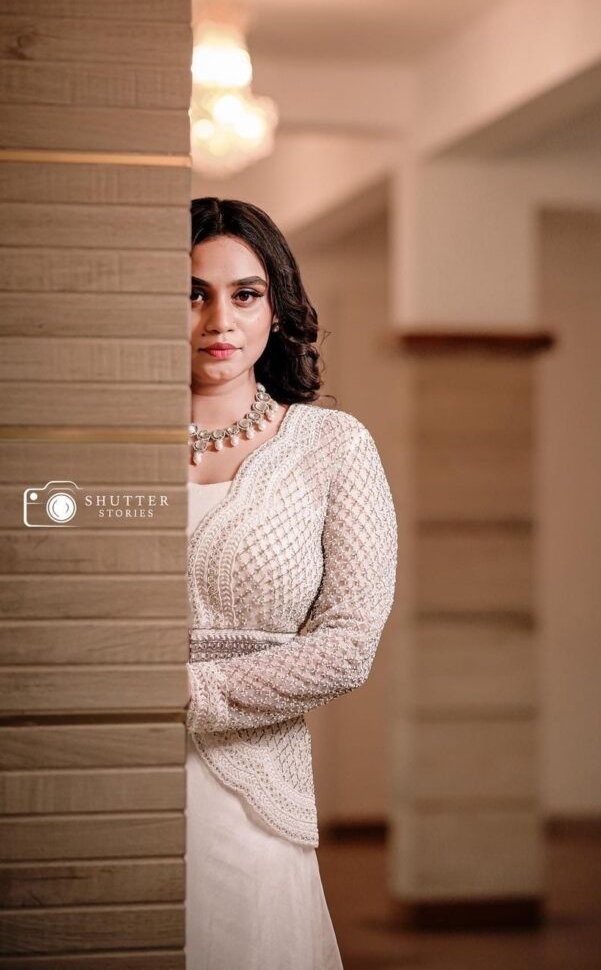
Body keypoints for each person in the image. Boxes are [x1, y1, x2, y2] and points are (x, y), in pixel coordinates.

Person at [184, 197, 398, 969]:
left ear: (276, 307)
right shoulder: (97, 451)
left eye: (244, 294)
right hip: (97, 773)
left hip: (253, 796)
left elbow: (347, 645)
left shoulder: (331, 448)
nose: (219, 319)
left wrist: (177, 695)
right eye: (192, 293)